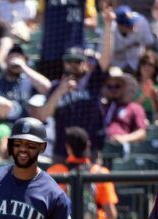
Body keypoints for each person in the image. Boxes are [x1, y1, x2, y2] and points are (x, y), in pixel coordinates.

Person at [37, 9, 113, 162]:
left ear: (85, 64)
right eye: (69, 61)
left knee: (91, 186)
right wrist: (60, 91)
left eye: (77, 61)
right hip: (62, 152)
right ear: (64, 63)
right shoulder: (56, 86)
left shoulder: (93, 81)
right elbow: (43, 115)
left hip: (89, 150)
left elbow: (106, 57)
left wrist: (108, 25)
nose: (73, 65)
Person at [109, 5, 154, 74]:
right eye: (128, 25)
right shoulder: (110, 31)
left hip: (137, 62)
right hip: (117, 65)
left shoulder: (141, 21)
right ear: (119, 25)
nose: (133, 26)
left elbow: (149, 44)